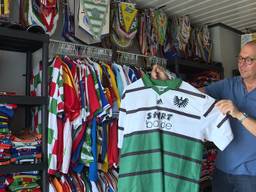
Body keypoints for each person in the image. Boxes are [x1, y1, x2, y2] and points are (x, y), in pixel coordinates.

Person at [151, 41, 256, 192]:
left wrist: (239, 114)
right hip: (222, 170)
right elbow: (194, 96)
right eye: (240, 58)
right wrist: (168, 81)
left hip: (251, 175)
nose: (242, 63)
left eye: (248, 60)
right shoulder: (229, 84)